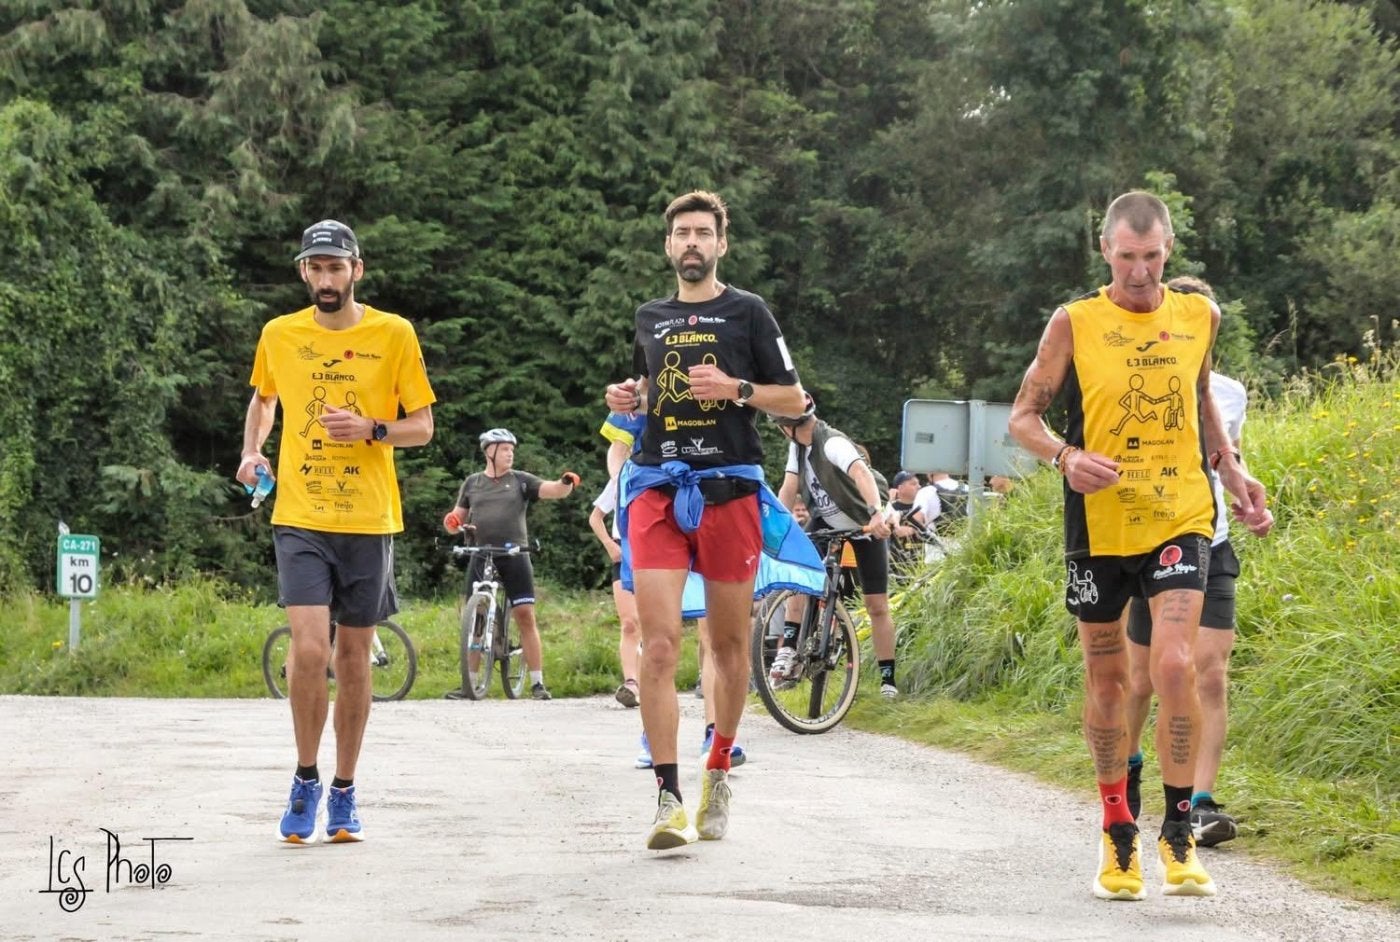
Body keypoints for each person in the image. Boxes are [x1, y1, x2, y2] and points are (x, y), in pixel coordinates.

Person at [1008, 191, 1270, 901]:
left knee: (1179, 665)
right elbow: (1023, 418)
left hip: (1178, 514)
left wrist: (1232, 467)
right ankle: (1117, 834)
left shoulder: (1199, 315)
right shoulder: (1074, 322)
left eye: (1152, 257)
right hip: (1098, 527)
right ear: (1105, 250)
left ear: (1170, 248)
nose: (1140, 273)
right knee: (1109, 683)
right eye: (1127, 257)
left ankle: (1178, 833)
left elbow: (1200, 399)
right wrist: (1065, 457)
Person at [604, 189, 809, 849]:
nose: (691, 243)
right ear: (668, 246)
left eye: (702, 233)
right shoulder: (649, 317)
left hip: (729, 491)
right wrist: (626, 400)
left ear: (720, 244)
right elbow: (641, 403)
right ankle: (667, 796)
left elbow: (795, 398)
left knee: (725, 646)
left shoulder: (747, 312)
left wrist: (737, 389)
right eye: (681, 234)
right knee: (658, 645)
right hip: (659, 489)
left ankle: (717, 767)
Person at [237, 218, 436, 844]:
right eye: (315, 268)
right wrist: (251, 450)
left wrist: (373, 429)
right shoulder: (279, 334)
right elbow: (264, 399)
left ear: (357, 270)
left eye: (336, 268)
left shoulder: (394, 334)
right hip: (298, 514)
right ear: (304, 273)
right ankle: (304, 777)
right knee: (309, 649)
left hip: (367, 517)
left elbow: (422, 427)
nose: (326, 279)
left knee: (353, 657)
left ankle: (345, 791)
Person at [1123, 276, 1274, 846]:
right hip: (1147, 543)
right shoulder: (1130, 379)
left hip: (1211, 543)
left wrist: (1248, 502)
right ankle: (1131, 768)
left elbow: (1225, 459)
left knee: (1208, 671)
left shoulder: (1229, 393)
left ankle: (1200, 804)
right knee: (1143, 679)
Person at [772, 398, 900, 698]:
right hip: (824, 522)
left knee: (876, 606)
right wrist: (775, 530)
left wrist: (876, 513)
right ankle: (789, 649)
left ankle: (888, 680)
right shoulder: (798, 448)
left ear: (786, 427)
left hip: (862, 523)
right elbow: (789, 489)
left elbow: (862, 474)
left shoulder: (832, 443)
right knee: (799, 576)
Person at [442, 428, 579, 701]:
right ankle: (469, 683)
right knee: (476, 620)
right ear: (489, 452)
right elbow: (454, 520)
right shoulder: (472, 483)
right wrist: (453, 524)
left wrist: (566, 482)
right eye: (505, 449)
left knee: (525, 615)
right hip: (481, 553)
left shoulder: (520, 481)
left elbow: (552, 490)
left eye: (512, 449)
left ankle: (537, 683)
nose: (510, 454)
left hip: (515, 554)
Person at [888, 470, 932, 568]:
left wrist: (913, 530)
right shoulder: (890, 508)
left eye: (919, 483)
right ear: (900, 488)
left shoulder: (924, 507)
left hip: (923, 562)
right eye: (913, 484)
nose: (919, 486)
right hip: (896, 564)